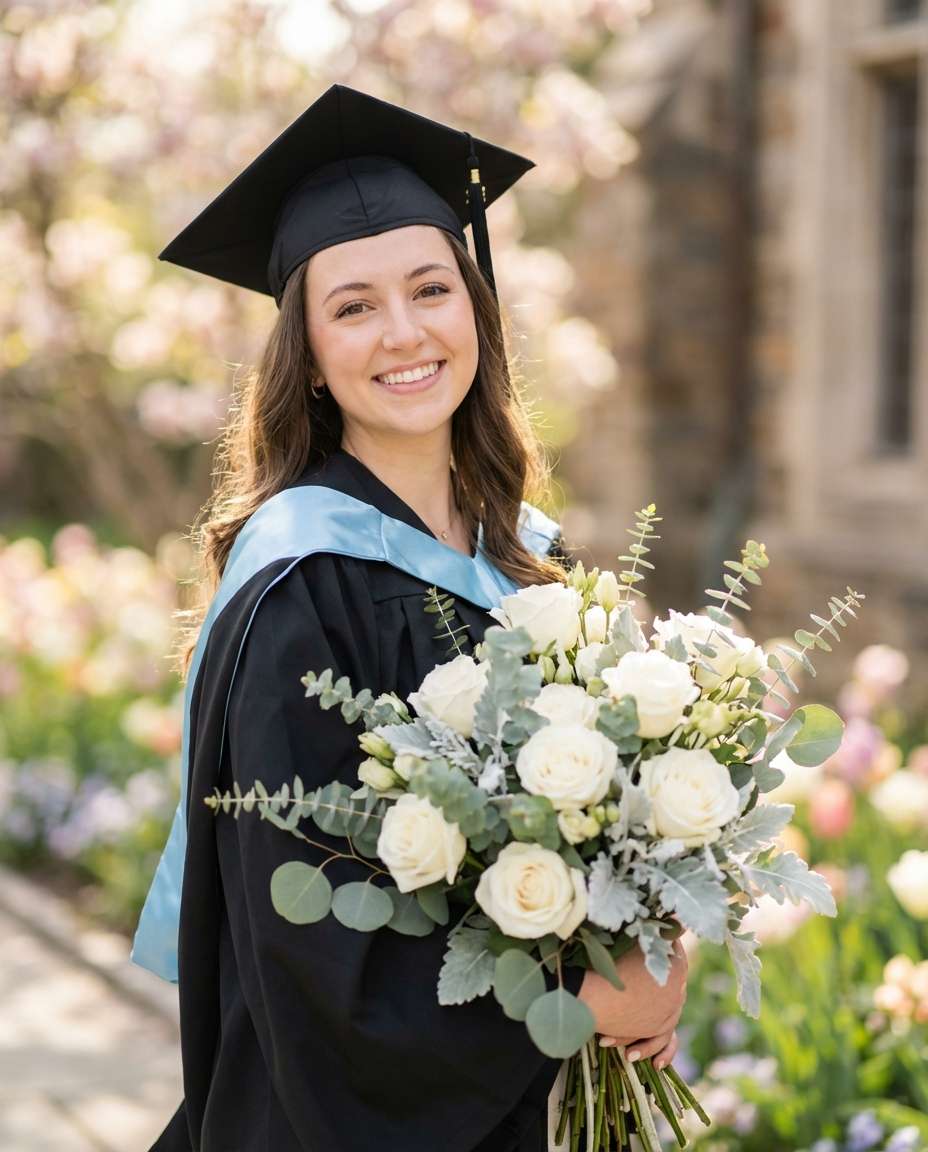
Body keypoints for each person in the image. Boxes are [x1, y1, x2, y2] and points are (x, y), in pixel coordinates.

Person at [136, 85, 687, 1152]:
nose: (403, 333)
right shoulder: (303, 581)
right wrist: (571, 1006)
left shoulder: (534, 555)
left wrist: (662, 941)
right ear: (305, 349)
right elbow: (315, 952)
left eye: (431, 288)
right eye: (352, 306)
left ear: (475, 309)